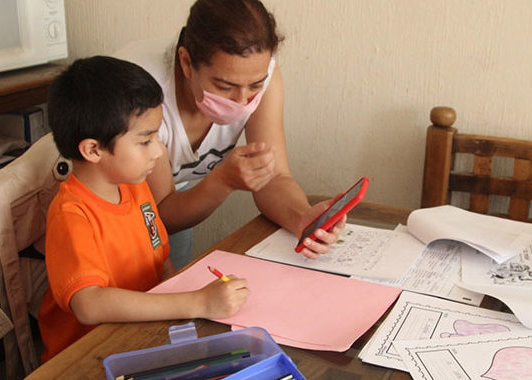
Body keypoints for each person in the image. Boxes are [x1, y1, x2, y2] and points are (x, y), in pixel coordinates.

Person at [37, 56, 250, 362]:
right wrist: (196, 303)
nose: (160, 150)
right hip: (86, 359)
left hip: (141, 339)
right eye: (146, 140)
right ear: (93, 150)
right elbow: (89, 305)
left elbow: (160, 264)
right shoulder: (72, 215)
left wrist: (193, 304)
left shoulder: (135, 186)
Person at [114, 0, 345, 268]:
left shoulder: (261, 73)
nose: (243, 100)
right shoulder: (143, 88)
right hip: (101, 191)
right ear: (186, 63)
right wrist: (222, 181)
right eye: (225, 86)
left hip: (173, 192)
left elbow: (274, 177)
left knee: (170, 281)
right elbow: (158, 215)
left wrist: (302, 217)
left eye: (255, 85)